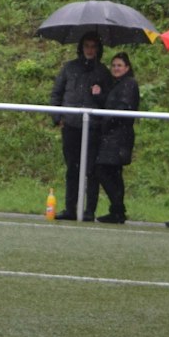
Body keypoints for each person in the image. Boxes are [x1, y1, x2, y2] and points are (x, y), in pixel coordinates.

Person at [49, 32, 111, 219]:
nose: (90, 50)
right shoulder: (69, 68)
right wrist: (57, 117)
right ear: (81, 48)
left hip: (92, 127)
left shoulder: (103, 72)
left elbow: (109, 100)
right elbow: (56, 93)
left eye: (93, 46)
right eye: (87, 46)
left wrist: (99, 94)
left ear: (98, 49)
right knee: (72, 169)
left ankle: (89, 210)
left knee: (91, 170)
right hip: (71, 125)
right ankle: (70, 208)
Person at [91, 53, 139, 224]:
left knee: (103, 170)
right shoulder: (117, 85)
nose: (116, 68)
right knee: (113, 173)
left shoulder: (129, 84)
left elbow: (122, 108)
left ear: (127, 67)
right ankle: (117, 210)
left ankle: (118, 208)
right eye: (114, 65)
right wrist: (99, 96)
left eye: (119, 65)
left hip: (119, 135)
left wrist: (106, 122)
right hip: (113, 134)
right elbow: (112, 105)